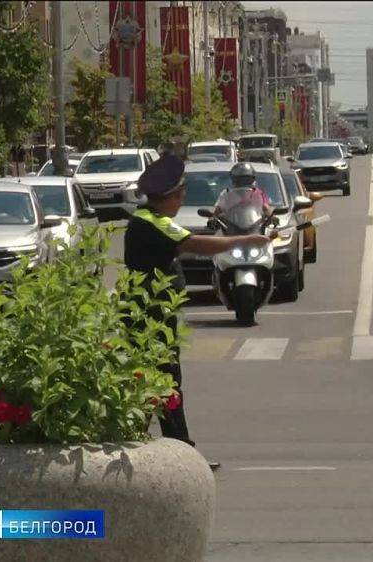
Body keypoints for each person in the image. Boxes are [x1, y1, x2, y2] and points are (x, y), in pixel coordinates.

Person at [124, 153, 271, 468]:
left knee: (161, 383)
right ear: (171, 197)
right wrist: (245, 239)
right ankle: (171, 453)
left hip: (154, 315)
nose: (182, 202)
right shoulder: (153, 222)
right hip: (149, 317)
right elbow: (195, 244)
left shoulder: (149, 219)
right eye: (181, 196)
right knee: (161, 382)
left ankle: (174, 450)